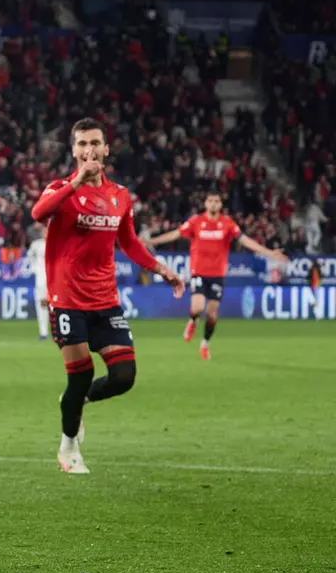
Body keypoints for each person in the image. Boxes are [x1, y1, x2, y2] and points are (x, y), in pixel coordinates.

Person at [30, 119, 185, 475]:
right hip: (66, 298)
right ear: (74, 150)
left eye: (95, 143)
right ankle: (69, 448)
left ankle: (74, 404)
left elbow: (128, 241)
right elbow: (38, 214)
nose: (89, 150)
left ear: (105, 149)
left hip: (105, 300)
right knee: (81, 373)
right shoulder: (60, 189)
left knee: (124, 377)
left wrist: (162, 270)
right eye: (82, 144)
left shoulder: (120, 196)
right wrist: (76, 182)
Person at [144, 191, 287, 359]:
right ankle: (193, 320)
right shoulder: (196, 221)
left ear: (220, 205)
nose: (213, 203)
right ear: (205, 204)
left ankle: (204, 344)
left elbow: (245, 240)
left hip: (217, 274)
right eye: (210, 200)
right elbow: (175, 234)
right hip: (198, 272)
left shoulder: (227, 224)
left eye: (216, 201)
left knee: (212, 314)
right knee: (197, 307)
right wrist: (152, 241)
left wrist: (268, 252)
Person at [27, 223, 49, 340]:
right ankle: (44, 332)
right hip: (41, 281)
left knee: (56, 307)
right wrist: (34, 268)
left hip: (54, 282)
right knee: (42, 305)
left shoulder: (55, 243)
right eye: (44, 231)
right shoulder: (37, 244)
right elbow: (29, 255)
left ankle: (58, 331)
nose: (45, 233)